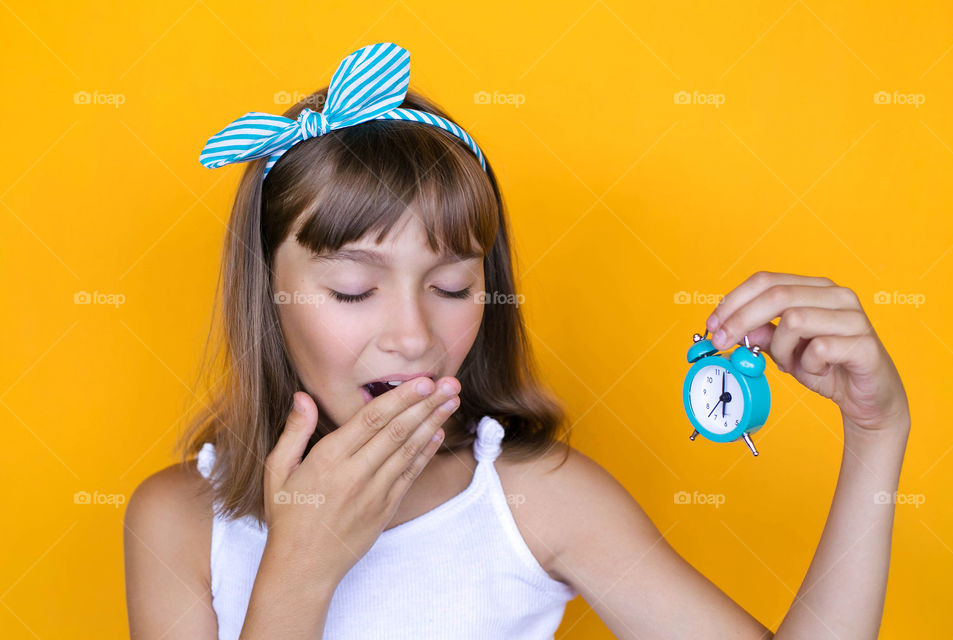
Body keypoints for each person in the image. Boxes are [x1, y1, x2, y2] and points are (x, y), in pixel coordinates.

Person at [123, 42, 911, 639]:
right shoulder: (176, 524)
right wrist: (299, 572)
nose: (414, 338)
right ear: (268, 292)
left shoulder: (536, 498)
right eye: (354, 289)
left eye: (452, 288)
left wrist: (877, 434)